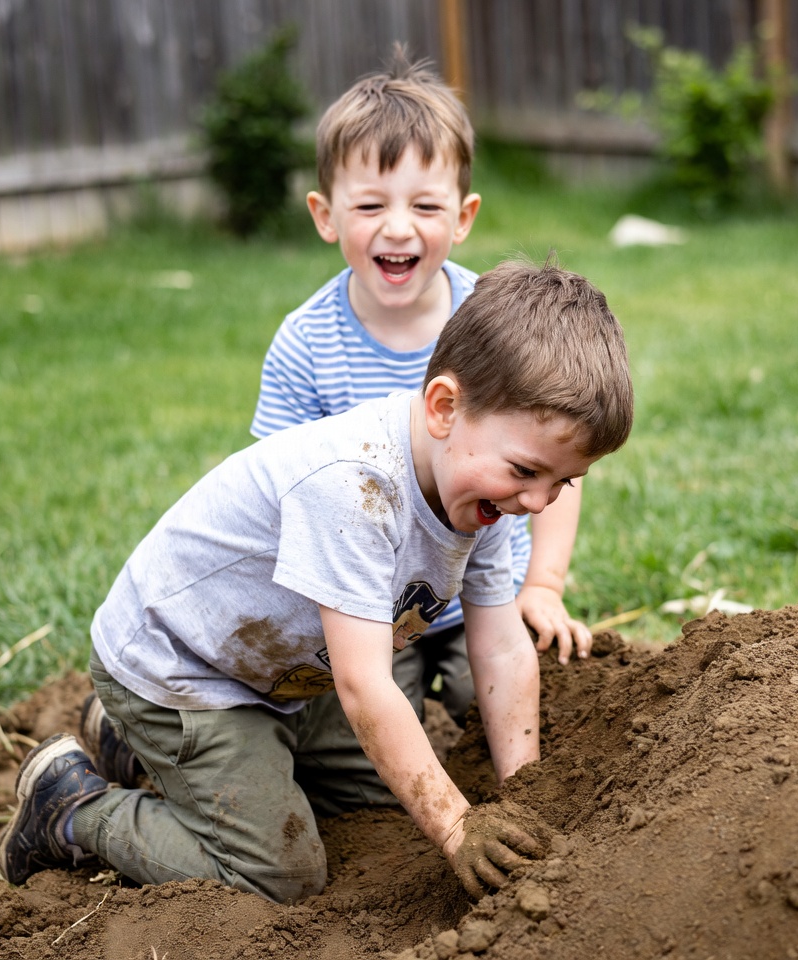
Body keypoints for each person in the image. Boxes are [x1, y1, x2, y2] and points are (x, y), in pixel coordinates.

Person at [0, 259, 634, 904]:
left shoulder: (486, 490)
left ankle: (134, 749)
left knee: (379, 806)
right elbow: (365, 686)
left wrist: (524, 794)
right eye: (528, 471)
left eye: (564, 482)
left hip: (295, 671)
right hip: (186, 672)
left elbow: (499, 645)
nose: (539, 501)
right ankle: (71, 807)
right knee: (281, 876)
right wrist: (459, 825)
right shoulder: (355, 487)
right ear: (444, 407)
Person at [252, 49, 593, 729]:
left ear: (464, 216)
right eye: (371, 204)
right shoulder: (307, 344)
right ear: (325, 215)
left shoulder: (498, 324)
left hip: (485, 593)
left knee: (532, 706)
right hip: (370, 608)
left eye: (425, 205)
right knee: (369, 754)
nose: (399, 227)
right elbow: (283, 490)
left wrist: (544, 585)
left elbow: (556, 458)